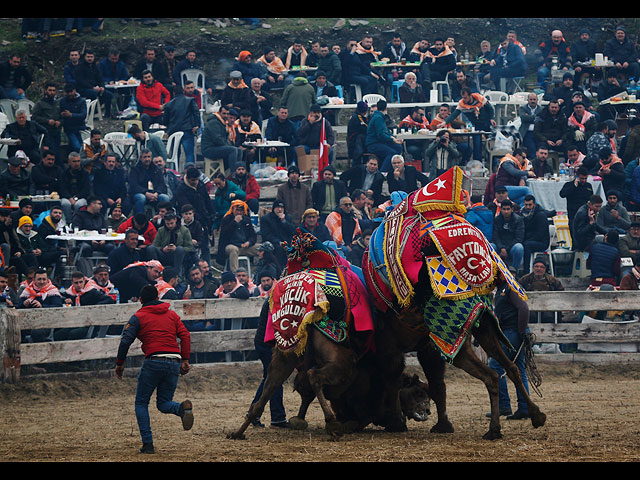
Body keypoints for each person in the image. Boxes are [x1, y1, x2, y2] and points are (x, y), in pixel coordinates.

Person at [115, 284, 193, 455]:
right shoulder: (171, 315)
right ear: (158, 298)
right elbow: (185, 335)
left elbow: (125, 340)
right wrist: (185, 359)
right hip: (173, 361)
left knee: (141, 402)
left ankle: (148, 444)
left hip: (154, 361)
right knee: (164, 403)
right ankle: (180, 408)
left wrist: (120, 363)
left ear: (141, 300)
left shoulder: (138, 317)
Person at [488, 274, 531, 420]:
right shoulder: (506, 288)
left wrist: (521, 331)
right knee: (519, 369)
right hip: (512, 332)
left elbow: (523, 308)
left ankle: (504, 405)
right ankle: (524, 407)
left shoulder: (510, 288)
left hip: (511, 332)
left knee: (495, 366)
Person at [248, 300, 289, 429]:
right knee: (274, 379)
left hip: (265, 343)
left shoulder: (276, 296)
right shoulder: (277, 298)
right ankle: (277, 418)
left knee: (269, 378)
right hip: (267, 344)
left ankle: (254, 414)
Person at [440, 88, 496, 161]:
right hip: (476, 125)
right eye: (463, 97)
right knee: (477, 145)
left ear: (470, 96)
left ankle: (493, 163)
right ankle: (477, 163)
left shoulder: (480, 99)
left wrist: (491, 118)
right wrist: (445, 122)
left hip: (487, 122)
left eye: (465, 97)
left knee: (491, 143)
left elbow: (490, 108)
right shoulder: (462, 104)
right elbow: (454, 115)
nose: (464, 99)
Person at [216, 199, 259, 272]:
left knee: (263, 247)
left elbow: (253, 235)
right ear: (232, 210)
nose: (239, 212)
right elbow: (224, 235)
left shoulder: (246, 220)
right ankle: (235, 275)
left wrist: (249, 242)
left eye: (241, 210)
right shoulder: (227, 219)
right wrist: (234, 222)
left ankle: (263, 272)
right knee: (234, 250)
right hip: (230, 246)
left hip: (245, 247)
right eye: (237, 210)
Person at [163, 83, 200, 166]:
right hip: (187, 130)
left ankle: (174, 171)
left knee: (174, 155)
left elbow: (165, 120)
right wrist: (197, 125)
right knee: (189, 153)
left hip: (173, 131)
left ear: (173, 93)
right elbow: (196, 112)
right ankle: (191, 172)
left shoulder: (168, 104)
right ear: (183, 91)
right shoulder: (190, 100)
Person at [518, 258, 564, 324]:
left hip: (548, 306)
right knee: (531, 316)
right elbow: (517, 290)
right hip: (530, 306)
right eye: (536, 266)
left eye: (542, 267)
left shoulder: (552, 280)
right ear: (533, 268)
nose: (539, 269)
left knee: (548, 317)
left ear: (545, 269)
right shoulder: (525, 279)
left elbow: (561, 292)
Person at [148, 212, 194, 278]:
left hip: (178, 255)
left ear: (175, 220)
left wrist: (176, 248)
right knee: (150, 248)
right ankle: (156, 271)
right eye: (167, 224)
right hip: (164, 254)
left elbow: (190, 247)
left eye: (172, 223)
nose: (170, 226)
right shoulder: (161, 230)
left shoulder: (184, 230)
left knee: (180, 249)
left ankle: (176, 275)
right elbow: (155, 245)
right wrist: (162, 249)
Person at [127, 148, 170, 215]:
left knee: (165, 198)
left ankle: (166, 220)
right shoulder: (134, 170)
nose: (147, 159)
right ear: (141, 158)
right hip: (140, 193)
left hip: (155, 194)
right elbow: (133, 185)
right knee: (141, 198)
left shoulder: (157, 169)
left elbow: (161, 184)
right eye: (145, 157)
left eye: (149, 157)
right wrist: (146, 193)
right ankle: (139, 220)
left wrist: (156, 193)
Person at [366, 99, 404, 173]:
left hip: (379, 142)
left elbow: (385, 132)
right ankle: (383, 172)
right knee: (392, 153)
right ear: (386, 109)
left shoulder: (379, 117)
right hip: (373, 144)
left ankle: (395, 169)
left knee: (398, 148)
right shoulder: (378, 118)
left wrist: (393, 137)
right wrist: (392, 139)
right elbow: (380, 135)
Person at [75, 50, 114, 118]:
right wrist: (92, 87)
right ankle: (92, 112)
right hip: (83, 89)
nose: (90, 58)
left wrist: (102, 86)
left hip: (96, 88)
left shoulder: (95, 67)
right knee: (93, 93)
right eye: (88, 57)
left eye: (91, 57)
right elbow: (81, 81)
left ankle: (107, 114)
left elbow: (100, 78)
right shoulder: (80, 67)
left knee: (109, 94)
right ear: (84, 57)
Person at [201, 106, 241, 173]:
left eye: (227, 114)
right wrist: (229, 146)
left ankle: (232, 172)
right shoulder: (214, 122)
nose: (226, 116)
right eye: (224, 113)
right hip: (209, 149)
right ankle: (233, 174)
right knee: (233, 150)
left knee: (239, 150)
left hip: (217, 147)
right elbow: (217, 139)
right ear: (219, 113)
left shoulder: (223, 123)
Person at [31, 82, 63, 161]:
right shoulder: (40, 104)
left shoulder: (58, 103)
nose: (52, 92)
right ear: (45, 91)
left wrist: (60, 122)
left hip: (57, 130)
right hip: (46, 131)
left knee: (57, 151)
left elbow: (62, 116)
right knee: (52, 151)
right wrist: (47, 121)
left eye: (53, 90)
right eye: (50, 90)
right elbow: (34, 118)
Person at [492, 200, 525, 273]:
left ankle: (514, 272)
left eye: (508, 209)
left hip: (512, 247)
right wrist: (501, 248)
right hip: (500, 247)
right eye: (504, 209)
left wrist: (505, 249)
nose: (506, 211)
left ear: (512, 209)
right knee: (491, 246)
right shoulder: (497, 220)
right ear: (501, 210)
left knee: (519, 247)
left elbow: (519, 238)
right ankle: (494, 272)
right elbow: (495, 236)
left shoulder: (518, 220)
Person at [521, 195, 550, 274]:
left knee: (526, 245)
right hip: (530, 239)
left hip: (542, 242)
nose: (527, 207)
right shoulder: (522, 213)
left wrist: (526, 239)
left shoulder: (540, 215)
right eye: (526, 205)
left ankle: (526, 271)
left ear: (534, 204)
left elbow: (540, 234)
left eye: (530, 205)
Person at [59, 151, 91, 223]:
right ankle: (69, 222)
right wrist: (70, 198)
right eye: (74, 161)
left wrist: (76, 198)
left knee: (79, 204)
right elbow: (62, 188)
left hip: (81, 197)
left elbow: (86, 189)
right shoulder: (64, 173)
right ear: (69, 162)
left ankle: (77, 222)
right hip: (67, 197)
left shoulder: (85, 173)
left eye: (78, 161)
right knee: (65, 204)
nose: (77, 163)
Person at [58, 83, 87, 154]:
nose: (70, 94)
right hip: (69, 128)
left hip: (80, 127)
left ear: (75, 91)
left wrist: (71, 115)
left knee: (80, 147)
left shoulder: (81, 101)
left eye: (71, 92)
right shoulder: (62, 101)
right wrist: (62, 115)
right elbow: (58, 113)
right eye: (68, 92)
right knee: (77, 147)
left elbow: (83, 115)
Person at [518, 93, 544, 158]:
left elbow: (543, 119)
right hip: (527, 133)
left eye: (534, 99)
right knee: (532, 149)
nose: (532, 101)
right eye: (531, 99)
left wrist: (529, 117)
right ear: (528, 100)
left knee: (540, 148)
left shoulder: (542, 109)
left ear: (537, 100)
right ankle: (533, 164)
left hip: (539, 133)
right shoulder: (523, 108)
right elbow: (523, 118)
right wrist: (536, 117)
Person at [346, 101, 369, 166]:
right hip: (355, 145)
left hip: (358, 144)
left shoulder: (357, 116)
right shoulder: (357, 117)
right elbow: (365, 128)